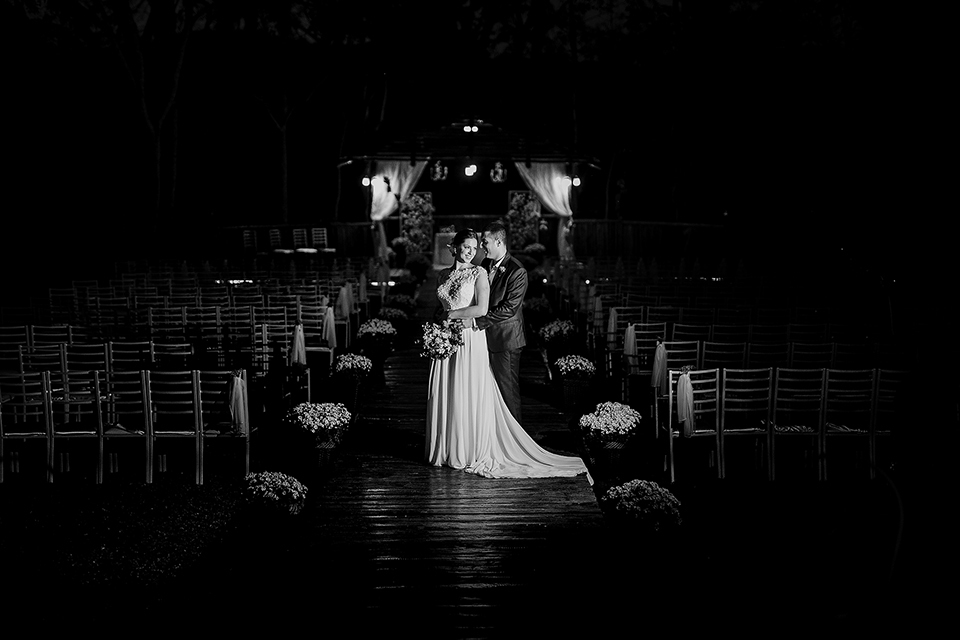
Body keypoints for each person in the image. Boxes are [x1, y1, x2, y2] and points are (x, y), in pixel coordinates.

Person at [425, 228, 589, 480]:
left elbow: (490, 308)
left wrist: (453, 317)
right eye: (468, 246)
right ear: (454, 247)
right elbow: (443, 306)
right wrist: (439, 327)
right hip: (453, 338)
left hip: (486, 336)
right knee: (455, 389)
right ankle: (449, 444)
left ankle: (504, 440)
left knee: (493, 390)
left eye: (478, 245)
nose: (474, 250)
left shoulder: (498, 271)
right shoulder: (452, 273)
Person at [475, 222, 527, 423]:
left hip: (506, 340)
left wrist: (478, 321)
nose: (482, 246)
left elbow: (509, 308)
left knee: (508, 393)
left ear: (498, 241)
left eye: (485, 242)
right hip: (487, 339)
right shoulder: (485, 265)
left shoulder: (517, 271)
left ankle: (517, 441)